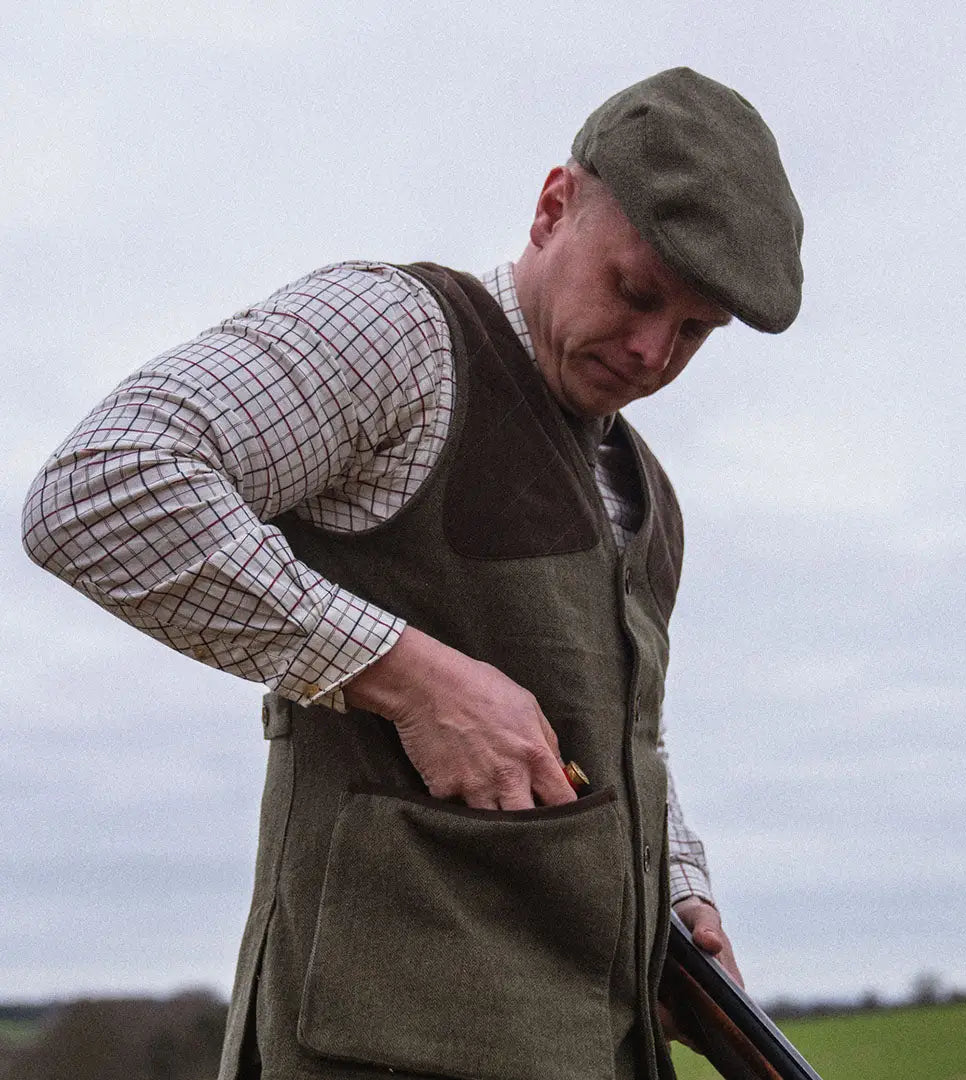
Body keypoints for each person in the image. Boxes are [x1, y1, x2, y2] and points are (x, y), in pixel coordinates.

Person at [22, 67, 802, 1080]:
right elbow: (97, 487)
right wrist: (408, 676)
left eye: (696, 330)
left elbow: (624, 738)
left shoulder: (648, 497)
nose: (655, 350)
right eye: (637, 292)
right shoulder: (402, 335)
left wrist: (676, 887)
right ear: (554, 207)